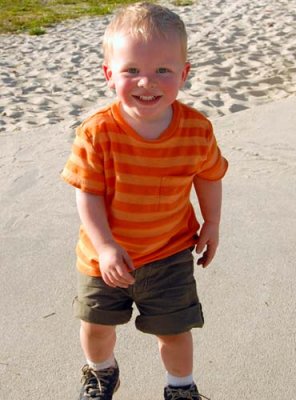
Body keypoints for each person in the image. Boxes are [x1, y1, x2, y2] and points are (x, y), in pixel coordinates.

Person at [61, 2, 228, 400]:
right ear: (109, 75)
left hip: (169, 253)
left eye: (162, 71)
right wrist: (104, 247)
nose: (146, 82)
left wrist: (213, 223)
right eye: (132, 70)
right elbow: (88, 194)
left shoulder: (196, 129)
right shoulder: (97, 132)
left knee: (174, 332)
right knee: (97, 327)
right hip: (103, 257)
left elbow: (209, 176)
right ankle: (102, 372)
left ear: (183, 74)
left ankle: (181, 387)